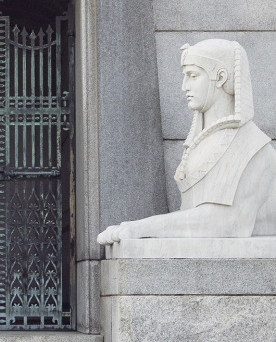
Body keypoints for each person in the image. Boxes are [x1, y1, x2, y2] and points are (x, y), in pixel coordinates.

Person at [97, 38, 276, 244]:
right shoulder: (204, 140)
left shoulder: (252, 147)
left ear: (220, 77)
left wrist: (142, 227)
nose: (184, 87)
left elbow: (228, 224)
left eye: (193, 76)